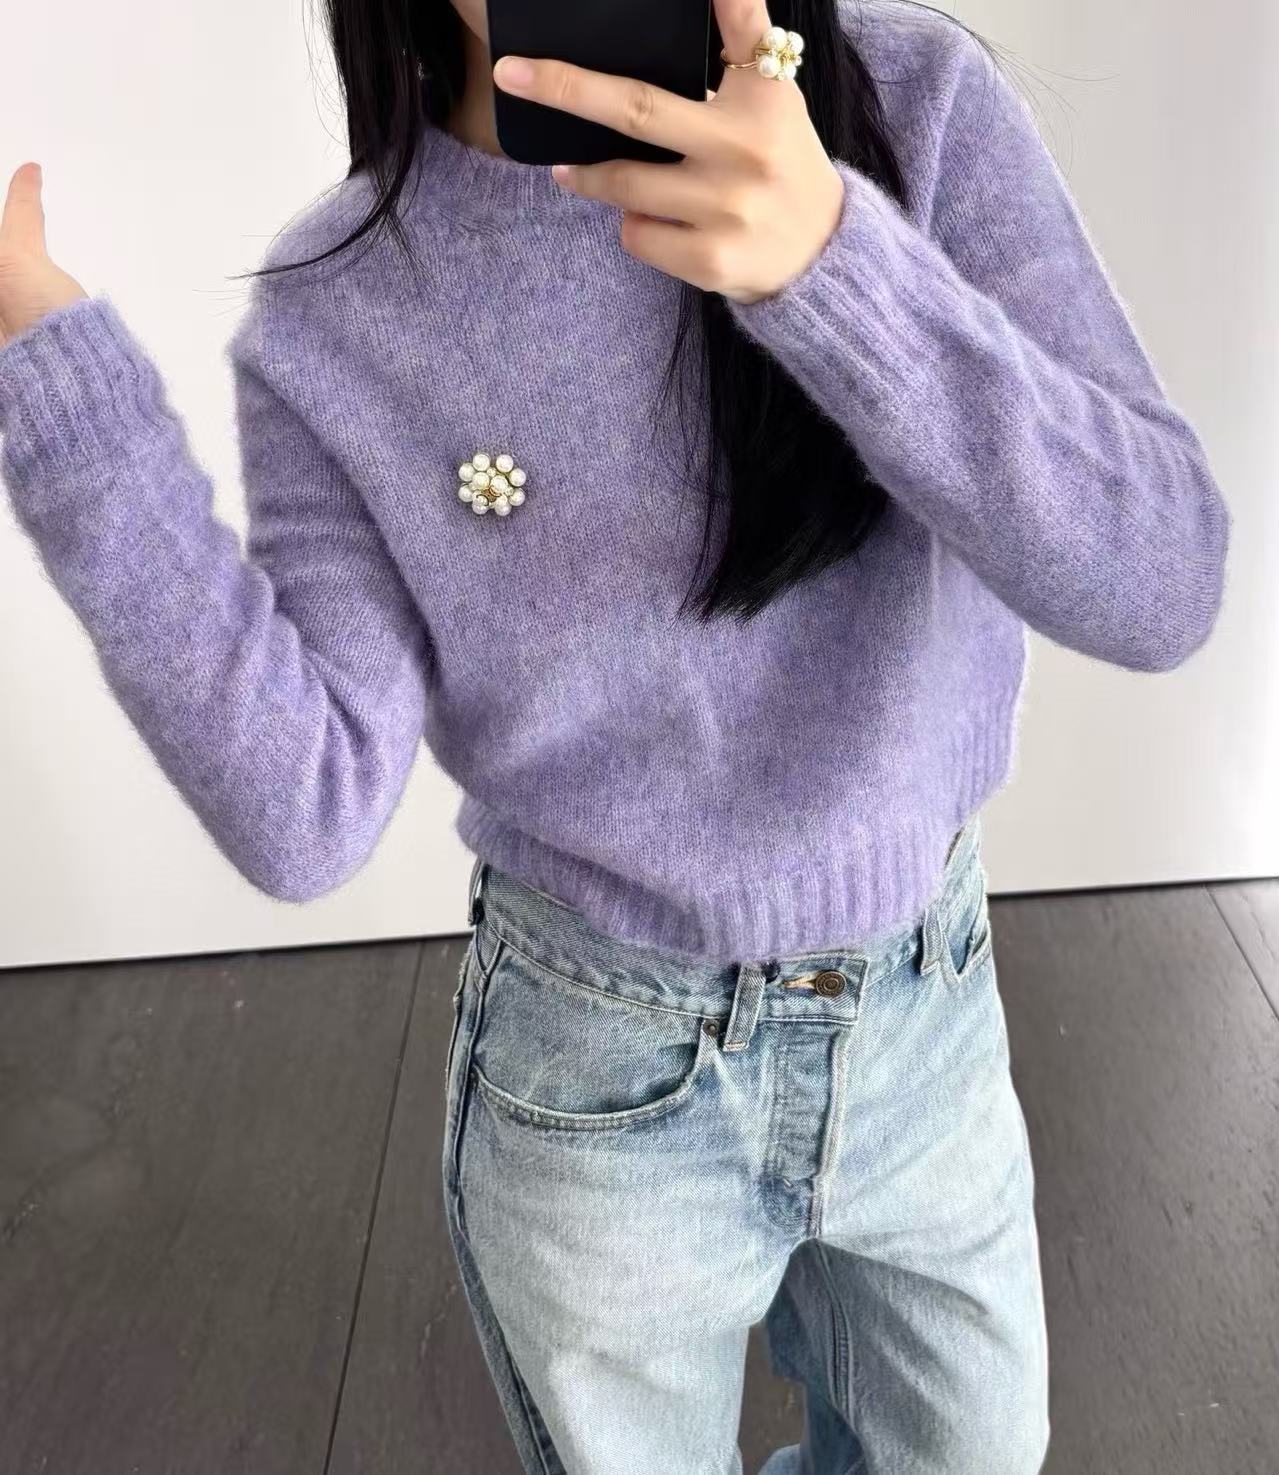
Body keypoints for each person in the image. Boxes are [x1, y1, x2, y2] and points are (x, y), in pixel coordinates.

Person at [0, 0, 1229, 1470]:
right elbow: (304, 810)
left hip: (927, 1015)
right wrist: (66, 407)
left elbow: (1162, 581)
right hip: (594, 1073)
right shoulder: (345, 309)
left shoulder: (914, 105)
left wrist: (835, 267)